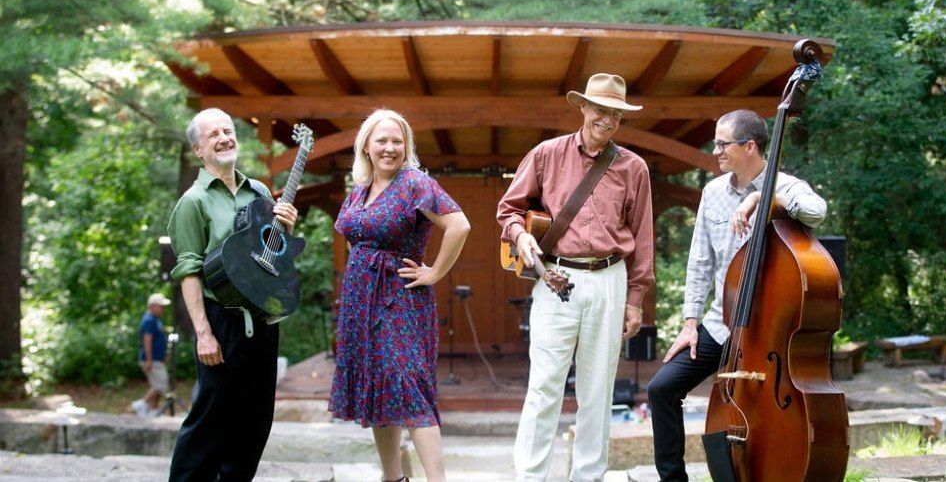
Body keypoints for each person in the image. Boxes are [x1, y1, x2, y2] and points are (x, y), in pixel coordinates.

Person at [646, 109, 828, 481]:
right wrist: (690, 322)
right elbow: (699, 260)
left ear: (749, 146)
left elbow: (817, 211)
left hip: (770, 330)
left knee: (766, 408)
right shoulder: (713, 192)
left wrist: (762, 197)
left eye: (722, 143)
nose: (715, 151)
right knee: (661, 389)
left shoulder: (787, 185)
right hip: (722, 322)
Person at [496, 73, 654, 481]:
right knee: (544, 387)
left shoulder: (634, 168)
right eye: (601, 109)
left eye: (616, 113)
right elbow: (508, 209)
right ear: (582, 107)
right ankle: (531, 477)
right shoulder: (547, 154)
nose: (608, 119)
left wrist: (635, 299)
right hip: (554, 277)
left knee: (597, 392)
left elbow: (642, 237)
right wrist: (521, 238)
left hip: (609, 279)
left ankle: (589, 477)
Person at [329, 109, 471, 482]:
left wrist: (435, 272)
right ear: (367, 146)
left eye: (397, 141)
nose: (390, 148)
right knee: (379, 388)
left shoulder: (414, 183)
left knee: (409, 387)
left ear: (406, 146)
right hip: (361, 302)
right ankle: (391, 477)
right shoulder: (360, 188)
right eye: (382, 140)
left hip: (399, 300)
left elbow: (459, 224)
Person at [166, 108, 299, 481]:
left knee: (255, 420)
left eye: (228, 130)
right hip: (220, 322)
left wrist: (285, 229)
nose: (224, 138)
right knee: (209, 423)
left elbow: (272, 256)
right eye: (213, 134)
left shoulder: (257, 191)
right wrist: (203, 333)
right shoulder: (193, 202)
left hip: (262, 320)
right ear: (198, 149)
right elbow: (188, 271)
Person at [132, 293, 171, 417]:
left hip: (157, 359)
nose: (163, 309)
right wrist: (149, 360)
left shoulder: (155, 319)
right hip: (152, 359)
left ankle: (154, 410)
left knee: (156, 385)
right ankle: (141, 404)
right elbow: (147, 340)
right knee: (161, 384)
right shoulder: (149, 320)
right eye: (161, 306)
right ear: (153, 306)